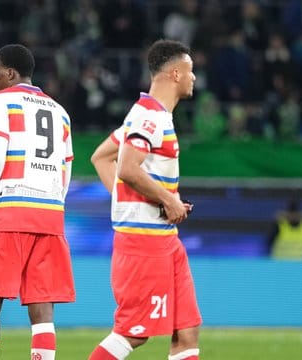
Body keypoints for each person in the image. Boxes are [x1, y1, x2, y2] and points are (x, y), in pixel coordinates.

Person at [88, 39, 201, 360]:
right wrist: (169, 200)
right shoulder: (150, 118)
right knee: (133, 334)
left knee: (186, 330)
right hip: (143, 243)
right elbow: (125, 167)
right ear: (176, 74)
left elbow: (100, 158)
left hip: (165, 240)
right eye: (191, 71)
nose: (195, 78)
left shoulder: (146, 116)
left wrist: (130, 202)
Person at [0, 44, 75, 360]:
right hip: (51, 214)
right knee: (42, 305)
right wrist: (53, 204)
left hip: (11, 211)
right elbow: (65, 170)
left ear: (10, 73)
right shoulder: (60, 112)